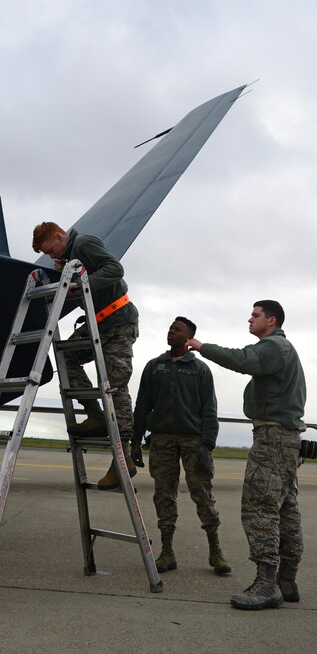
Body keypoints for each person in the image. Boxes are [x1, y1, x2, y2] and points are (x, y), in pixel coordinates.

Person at [187, 300, 305, 610]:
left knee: (259, 508)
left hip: (272, 438)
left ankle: (267, 584)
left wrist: (202, 346)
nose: (249, 320)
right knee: (285, 508)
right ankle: (286, 580)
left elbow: (242, 359)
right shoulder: (282, 349)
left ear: (272, 319)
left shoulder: (274, 347)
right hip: (286, 438)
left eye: (255, 315)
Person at [32, 221, 138, 481]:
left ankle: (123, 459)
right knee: (67, 357)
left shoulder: (84, 244)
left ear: (59, 236)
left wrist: (81, 285)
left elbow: (115, 269)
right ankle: (94, 413)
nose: (51, 256)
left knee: (116, 386)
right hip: (98, 322)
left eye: (51, 250)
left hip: (119, 323)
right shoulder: (67, 260)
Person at [132, 317, 231, 575]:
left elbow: (210, 408)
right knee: (164, 495)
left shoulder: (200, 370)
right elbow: (142, 405)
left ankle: (215, 551)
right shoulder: (154, 367)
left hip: (193, 441)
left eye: (177, 330)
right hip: (161, 440)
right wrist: (135, 441)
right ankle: (167, 552)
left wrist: (207, 443)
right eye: (170, 328)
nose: (171, 332)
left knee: (203, 495)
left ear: (188, 339)